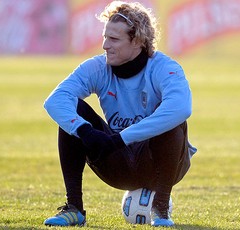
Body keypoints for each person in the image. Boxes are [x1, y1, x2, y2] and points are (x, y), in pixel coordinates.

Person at [43, 0, 196, 227]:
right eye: (105, 37)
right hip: (117, 163)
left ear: (138, 41)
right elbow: (54, 100)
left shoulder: (164, 67)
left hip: (159, 165)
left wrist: (122, 138)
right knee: (71, 113)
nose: (105, 45)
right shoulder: (97, 67)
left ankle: (161, 209)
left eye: (113, 39)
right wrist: (84, 130)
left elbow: (181, 108)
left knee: (174, 122)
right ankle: (74, 208)